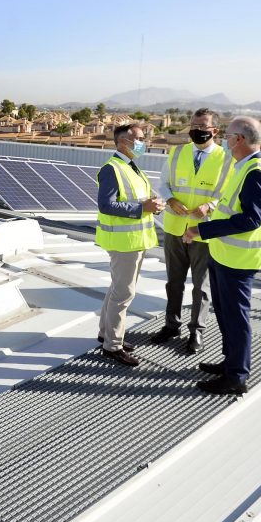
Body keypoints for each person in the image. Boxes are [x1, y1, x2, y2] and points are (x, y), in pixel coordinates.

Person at [183, 116, 261, 395]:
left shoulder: (256, 171)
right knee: (225, 313)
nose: (224, 139)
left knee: (236, 318)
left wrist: (202, 230)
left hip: (240, 260)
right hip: (225, 255)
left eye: (227, 135)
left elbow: (251, 219)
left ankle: (236, 377)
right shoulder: (243, 166)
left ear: (239, 140)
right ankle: (230, 362)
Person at [152, 108, 231, 354]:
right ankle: (171, 325)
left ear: (215, 131)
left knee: (201, 287)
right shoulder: (177, 153)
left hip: (203, 231)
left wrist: (211, 205)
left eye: (203, 127)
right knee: (174, 282)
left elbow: (227, 193)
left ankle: (196, 332)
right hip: (175, 227)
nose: (196, 131)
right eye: (194, 126)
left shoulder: (227, 159)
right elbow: (163, 183)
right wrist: (170, 199)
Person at [96, 123, 164, 367]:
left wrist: (151, 203)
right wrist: (142, 208)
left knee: (117, 289)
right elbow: (106, 205)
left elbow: (132, 198)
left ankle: (106, 334)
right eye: (139, 139)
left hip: (134, 241)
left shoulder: (131, 167)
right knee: (124, 294)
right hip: (123, 242)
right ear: (122, 142)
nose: (143, 143)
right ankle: (112, 346)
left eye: (144, 138)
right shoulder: (112, 169)